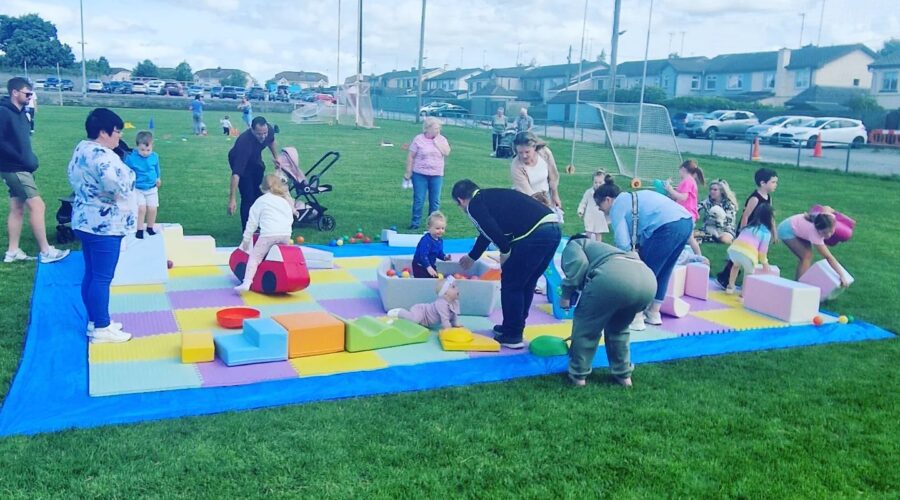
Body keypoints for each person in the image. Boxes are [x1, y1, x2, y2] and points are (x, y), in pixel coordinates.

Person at [452, 179, 561, 349]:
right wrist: (473, 256)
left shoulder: (473, 205)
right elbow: (487, 232)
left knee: (512, 283)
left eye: (459, 206)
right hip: (553, 228)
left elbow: (489, 229)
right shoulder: (491, 198)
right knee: (527, 282)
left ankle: (513, 335)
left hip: (534, 233)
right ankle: (513, 327)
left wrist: (505, 251)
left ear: (460, 200)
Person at [67, 108, 136, 343]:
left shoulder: (82, 148)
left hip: (84, 220)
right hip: (104, 225)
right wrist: (131, 176)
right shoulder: (103, 155)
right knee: (102, 277)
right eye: (116, 131)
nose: (119, 137)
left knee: (92, 273)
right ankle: (102, 328)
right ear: (103, 132)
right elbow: (116, 185)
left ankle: (95, 320)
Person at [594, 175, 693, 329]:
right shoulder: (631, 198)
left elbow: (623, 242)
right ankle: (654, 313)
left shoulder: (618, 206)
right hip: (686, 223)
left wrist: (628, 258)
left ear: (607, 199)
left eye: (598, 204)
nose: (599, 209)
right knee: (664, 270)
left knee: (644, 275)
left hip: (667, 227)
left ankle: (636, 316)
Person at [559, 234, 656, 387]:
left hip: (613, 280)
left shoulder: (575, 244)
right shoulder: (608, 250)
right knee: (619, 329)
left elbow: (578, 264)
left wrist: (566, 295)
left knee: (587, 328)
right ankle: (624, 375)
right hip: (648, 281)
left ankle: (578, 376)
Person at [1, 77, 70, 264]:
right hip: (15, 169)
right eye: (27, 93)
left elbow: (23, 143)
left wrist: (30, 159)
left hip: (22, 167)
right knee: (38, 206)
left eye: (31, 94)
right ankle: (46, 251)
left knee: (17, 208)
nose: (30, 97)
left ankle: (12, 251)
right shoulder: (3, 113)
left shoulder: (22, 114)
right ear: (15, 92)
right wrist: (20, 159)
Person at [715, 168, 778, 288]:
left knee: (746, 255)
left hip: (758, 231)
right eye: (773, 182)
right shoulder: (755, 198)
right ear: (763, 183)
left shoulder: (768, 198)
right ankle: (725, 278)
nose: (775, 185)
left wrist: (774, 232)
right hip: (748, 231)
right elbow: (746, 215)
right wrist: (742, 232)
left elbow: (771, 216)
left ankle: (728, 279)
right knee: (739, 255)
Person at [234, 174, 294, 292]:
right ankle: (287, 280)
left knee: (255, 257)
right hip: (286, 234)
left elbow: (252, 222)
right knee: (282, 259)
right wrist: (287, 230)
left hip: (269, 234)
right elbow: (290, 217)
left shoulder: (261, 201)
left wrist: (246, 240)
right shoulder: (284, 200)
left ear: (262, 187)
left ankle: (246, 283)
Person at [227, 116, 282, 230]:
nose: (262, 136)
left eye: (264, 133)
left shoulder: (268, 130)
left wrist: (277, 157)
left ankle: (259, 225)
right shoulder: (243, 143)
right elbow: (236, 174)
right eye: (259, 134)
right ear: (252, 130)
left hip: (255, 161)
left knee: (259, 194)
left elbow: (271, 141)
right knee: (248, 197)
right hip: (241, 163)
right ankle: (247, 231)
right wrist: (232, 199)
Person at [777, 207, 850, 285]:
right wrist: (842, 275)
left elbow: (827, 208)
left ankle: (800, 283)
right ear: (818, 229)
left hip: (798, 227)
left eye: (831, 231)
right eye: (824, 233)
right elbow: (829, 257)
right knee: (806, 257)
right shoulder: (814, 235)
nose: (828, 235)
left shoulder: (829, 218)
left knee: (808, 255)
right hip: (787, 230)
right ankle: (798, 286)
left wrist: (840, 215)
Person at [404, 117, 450, 230]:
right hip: (420, 173)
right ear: (427, 128)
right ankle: (415, 222)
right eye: (435, 128)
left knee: (435, 201)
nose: (438, 130)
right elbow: (411, 156)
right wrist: (408, 171)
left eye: (439, 128)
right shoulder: (418, 139)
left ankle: (433, 225)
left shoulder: (442, 139)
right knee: (419, 198)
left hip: (436, 174)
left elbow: (446, 152)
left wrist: (437, 142)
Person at [510, 131, 562, 221]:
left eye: (527, 152)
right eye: (520, 152)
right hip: (526, 200)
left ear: (534, 147)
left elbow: (553, 175)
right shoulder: (516, 166)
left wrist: (555, 195)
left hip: (546, 196)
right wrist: (543, 205)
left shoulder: (545, 153)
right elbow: (528, 192)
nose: (524, 156)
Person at [725, 204, 775, 295]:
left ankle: (730, 286)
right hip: (748, 254)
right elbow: (762, 251)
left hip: (734, 250)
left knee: (735, 265)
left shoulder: (748, 227)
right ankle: (744, 293)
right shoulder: (766, 233)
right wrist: (765, 263)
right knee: (749, 273)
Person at [124, 130, 161, 239]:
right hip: (138, 188)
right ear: (137, 147)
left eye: (148, 150)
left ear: (152, 147)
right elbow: (126, 171)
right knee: (141, 209)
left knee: (153, 208)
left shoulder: (154, 156)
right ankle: (139, 229)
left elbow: (156, 168)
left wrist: (158, 178)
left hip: (151, 188)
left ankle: (150, 227)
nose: (145, 152)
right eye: (142, 150)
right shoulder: (131, 158)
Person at [664, 159, 705, 258]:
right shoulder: (688, 181)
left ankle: (699, 256)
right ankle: (691, 255)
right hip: (684, 214)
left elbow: (683, 197)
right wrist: (669, 192)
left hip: (687, 214)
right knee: (685, 236)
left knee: (689, 238)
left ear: (683, 169)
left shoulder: (688, 181)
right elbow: (677, 197)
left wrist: (670, 189)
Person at [387, 277, 461, 330]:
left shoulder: (454, 302)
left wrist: (455, 323)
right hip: (422, 311)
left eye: (456, 286)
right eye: (453, 287)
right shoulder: (441, 304)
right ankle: (400, 312)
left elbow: (453, 314)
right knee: (414, 319)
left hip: (426, 320)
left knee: (415, 324)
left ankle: (405, 316)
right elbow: (445, 320)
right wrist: (449, 329)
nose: (457, 288)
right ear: (445, 294)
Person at [412, 211, 451, 278]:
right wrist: (428, 267)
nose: (440, 231)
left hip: (430, 264)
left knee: (435, 278)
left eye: (442, 228)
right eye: (437, 228)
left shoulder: (439, 240)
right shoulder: (426, 240)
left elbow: (438, 252)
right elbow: (423, 255)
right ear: (429, 228)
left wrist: (444, 257)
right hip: (420, 265)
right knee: (423, 281)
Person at [698, 179, 738, 244]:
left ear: (721, 192)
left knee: (723, 239)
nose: (712, 191)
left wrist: (716, 222)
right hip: (708, 228)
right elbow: (696, 208)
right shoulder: (707, 202)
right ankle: (711, 238)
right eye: (711, 189)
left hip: (726, 229)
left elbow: (729, 223)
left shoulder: (729, 204)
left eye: (715, 190)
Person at [577, 170, 610, 241]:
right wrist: (580, 210)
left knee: (598, 233)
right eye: (595, 182)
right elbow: (583, 202)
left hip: (600, 217)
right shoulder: (589, 192)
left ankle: (598, 247)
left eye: (600, 183)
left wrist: (608, 217)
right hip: (590, 216)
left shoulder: (605, 193)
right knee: (588, 232)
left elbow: (608, 206)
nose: (597, 184)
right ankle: (587, 245)